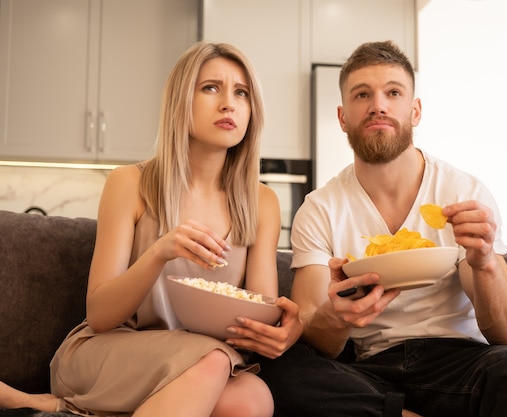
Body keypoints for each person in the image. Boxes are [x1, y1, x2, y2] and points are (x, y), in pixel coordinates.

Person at [254, 40, 507, 417]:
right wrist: (337, 316)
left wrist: (484, 262)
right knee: (282, 375)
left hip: (459, 365)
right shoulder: (320, 209)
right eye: (362, 94)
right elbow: (316, 337)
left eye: (393, 92)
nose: (378, 105)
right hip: (372, 369)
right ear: (342, 117)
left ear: (415, 110)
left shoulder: (462, 192)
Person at [0, 41, 302, 416]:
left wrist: (283, 330)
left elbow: (255, 318)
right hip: (110, 350)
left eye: (241, 93)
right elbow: (100, 315)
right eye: (211, 87)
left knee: (252, 399)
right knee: (210, 361)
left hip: (204, 358)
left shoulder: (262, 202)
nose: (229, 103)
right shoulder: (130, 183)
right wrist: (160, 252)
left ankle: (62, 408)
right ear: (180, 101)